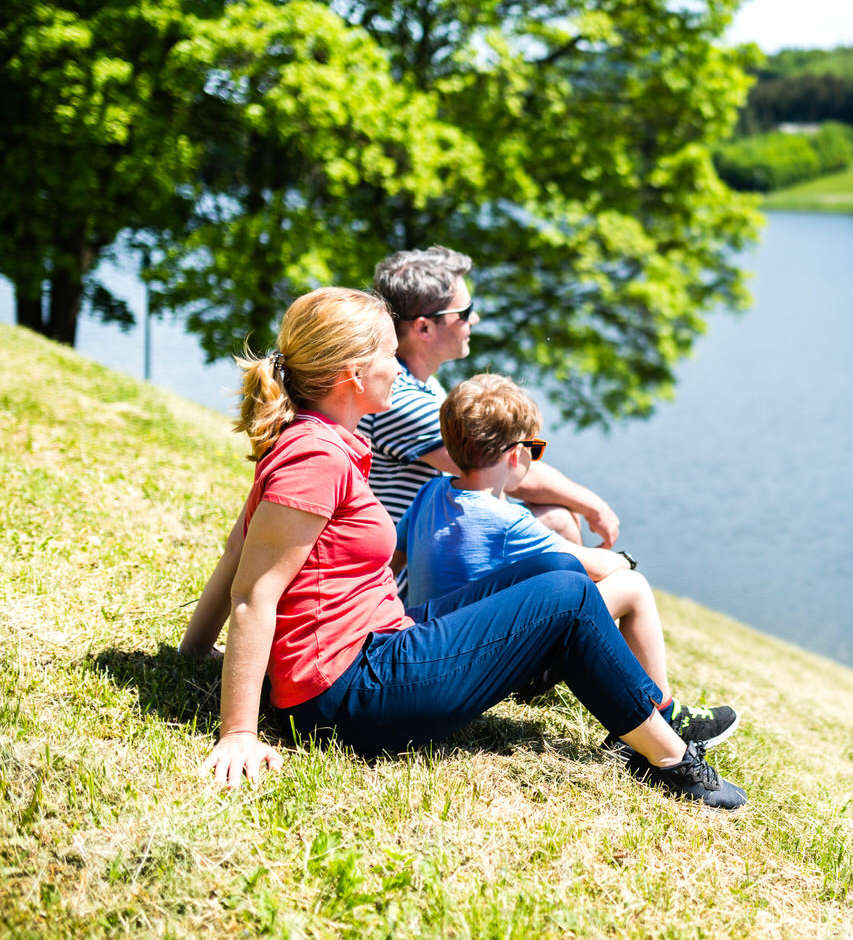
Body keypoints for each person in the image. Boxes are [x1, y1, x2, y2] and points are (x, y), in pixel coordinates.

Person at [178, 287, 744, 808]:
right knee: (569, 597)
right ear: (352, 374)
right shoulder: (315, 456)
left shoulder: (324, 441)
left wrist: (193, 653)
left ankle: (652, 715)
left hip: (376, 646)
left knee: (551, 566)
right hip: (349, 698)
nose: (398, 366)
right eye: (388, 353)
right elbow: (253, 591)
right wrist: (238, 733)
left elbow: (236, 549)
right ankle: (671, 759)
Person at [394, 374, 739, 748]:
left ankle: (639, 705)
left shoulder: (430, 492)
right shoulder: (507, 522)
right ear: (515, 456)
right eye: (534, 448)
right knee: (633, 588)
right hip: (480, 665)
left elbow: (396, 560)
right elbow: (597, 567)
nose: (534, 456)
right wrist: (624, 560)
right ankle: (664, 713)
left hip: (434, 646)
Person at [358, 246, 616, 551]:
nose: (476, 319)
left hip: (427, 546)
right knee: (557, 520)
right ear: (424, 327)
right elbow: (505, 469)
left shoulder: (423, 385)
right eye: (465, 313)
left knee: (554, 516)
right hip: (408, 569)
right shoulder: (400, 398)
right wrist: (593, 505)